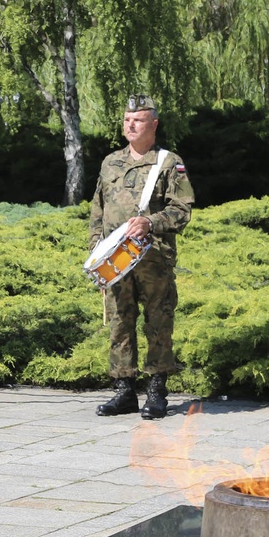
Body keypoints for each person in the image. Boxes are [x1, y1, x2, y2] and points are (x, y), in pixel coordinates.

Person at [89, 94, 195, 420]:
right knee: (120, 322)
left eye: (137, 119)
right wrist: (95, 249)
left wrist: (151, 222)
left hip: (154, 258)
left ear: (154, 124)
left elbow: (182, 210)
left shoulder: (167, 162)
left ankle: (156, 392)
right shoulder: (110, 163)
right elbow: (97, 209)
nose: (130, 124)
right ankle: (123, 391)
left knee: (158, 323)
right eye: (126, 119)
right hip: (117, 261)